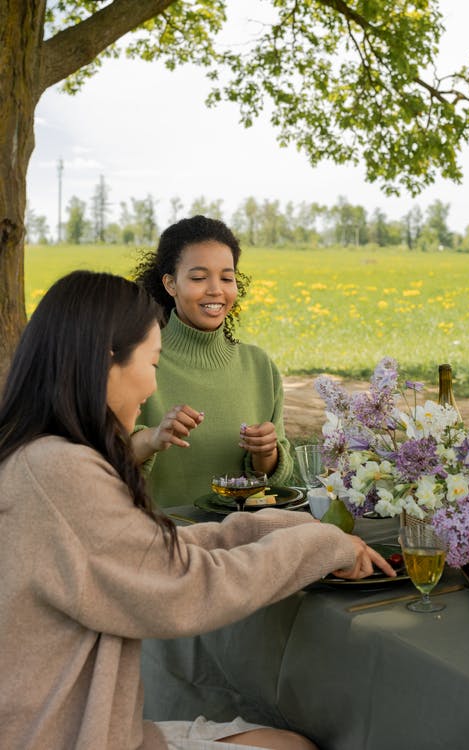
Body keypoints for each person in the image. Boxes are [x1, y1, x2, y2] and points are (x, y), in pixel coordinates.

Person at [0, 270, 395, 750]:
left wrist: (274, 526)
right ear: (107, 359)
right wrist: (318, 543)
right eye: (152, 363)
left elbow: (148, 551)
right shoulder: (61, 469)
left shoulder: (36, 454)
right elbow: (184, 587)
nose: (152, 384)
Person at [132, 215, 294, 507]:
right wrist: (153, 437)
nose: (216, 289)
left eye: (226, 277)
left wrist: (266, 453)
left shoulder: (259, 367)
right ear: (170, 284)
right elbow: (101, 462)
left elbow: (274, 480)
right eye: (198, 278)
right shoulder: (136, 362)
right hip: (166, 540)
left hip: (243, 541)